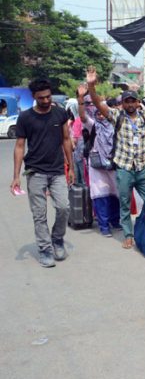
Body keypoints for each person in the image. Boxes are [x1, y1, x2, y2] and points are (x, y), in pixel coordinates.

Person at [86, 65, 145, 250]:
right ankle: (128, 235)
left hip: (143, 168)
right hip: (124, 168)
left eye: (132, 101)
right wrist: (91, 86)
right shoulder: (116, 116)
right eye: (126, 101)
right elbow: (98, 104)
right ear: (122, 103)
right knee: (125, 203)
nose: (129, 104)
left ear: (137, 103)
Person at [11, 78, 74, 267]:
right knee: (39, 214)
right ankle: (45, 249)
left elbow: (66, 139)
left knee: (64, 208)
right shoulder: (26, 118)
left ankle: (57, 239)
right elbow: (20, 146)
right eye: (41, 98)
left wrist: (70, 167)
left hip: (57, 170)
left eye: (48, 97)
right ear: (34, 97)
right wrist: (16, 176)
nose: (46, 101)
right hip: (35, 171)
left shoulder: (60, 113)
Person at [76, 85, 121, 237]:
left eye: (103, 113)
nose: (101, 116)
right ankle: (104, 226)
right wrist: (81, 99)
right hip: (96, 165)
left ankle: (115, 221)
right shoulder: (93, 125)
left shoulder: (115, 124)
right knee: (100, 194)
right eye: (98, 113)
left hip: (114, 162)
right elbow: (82, 117)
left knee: (116, 193)